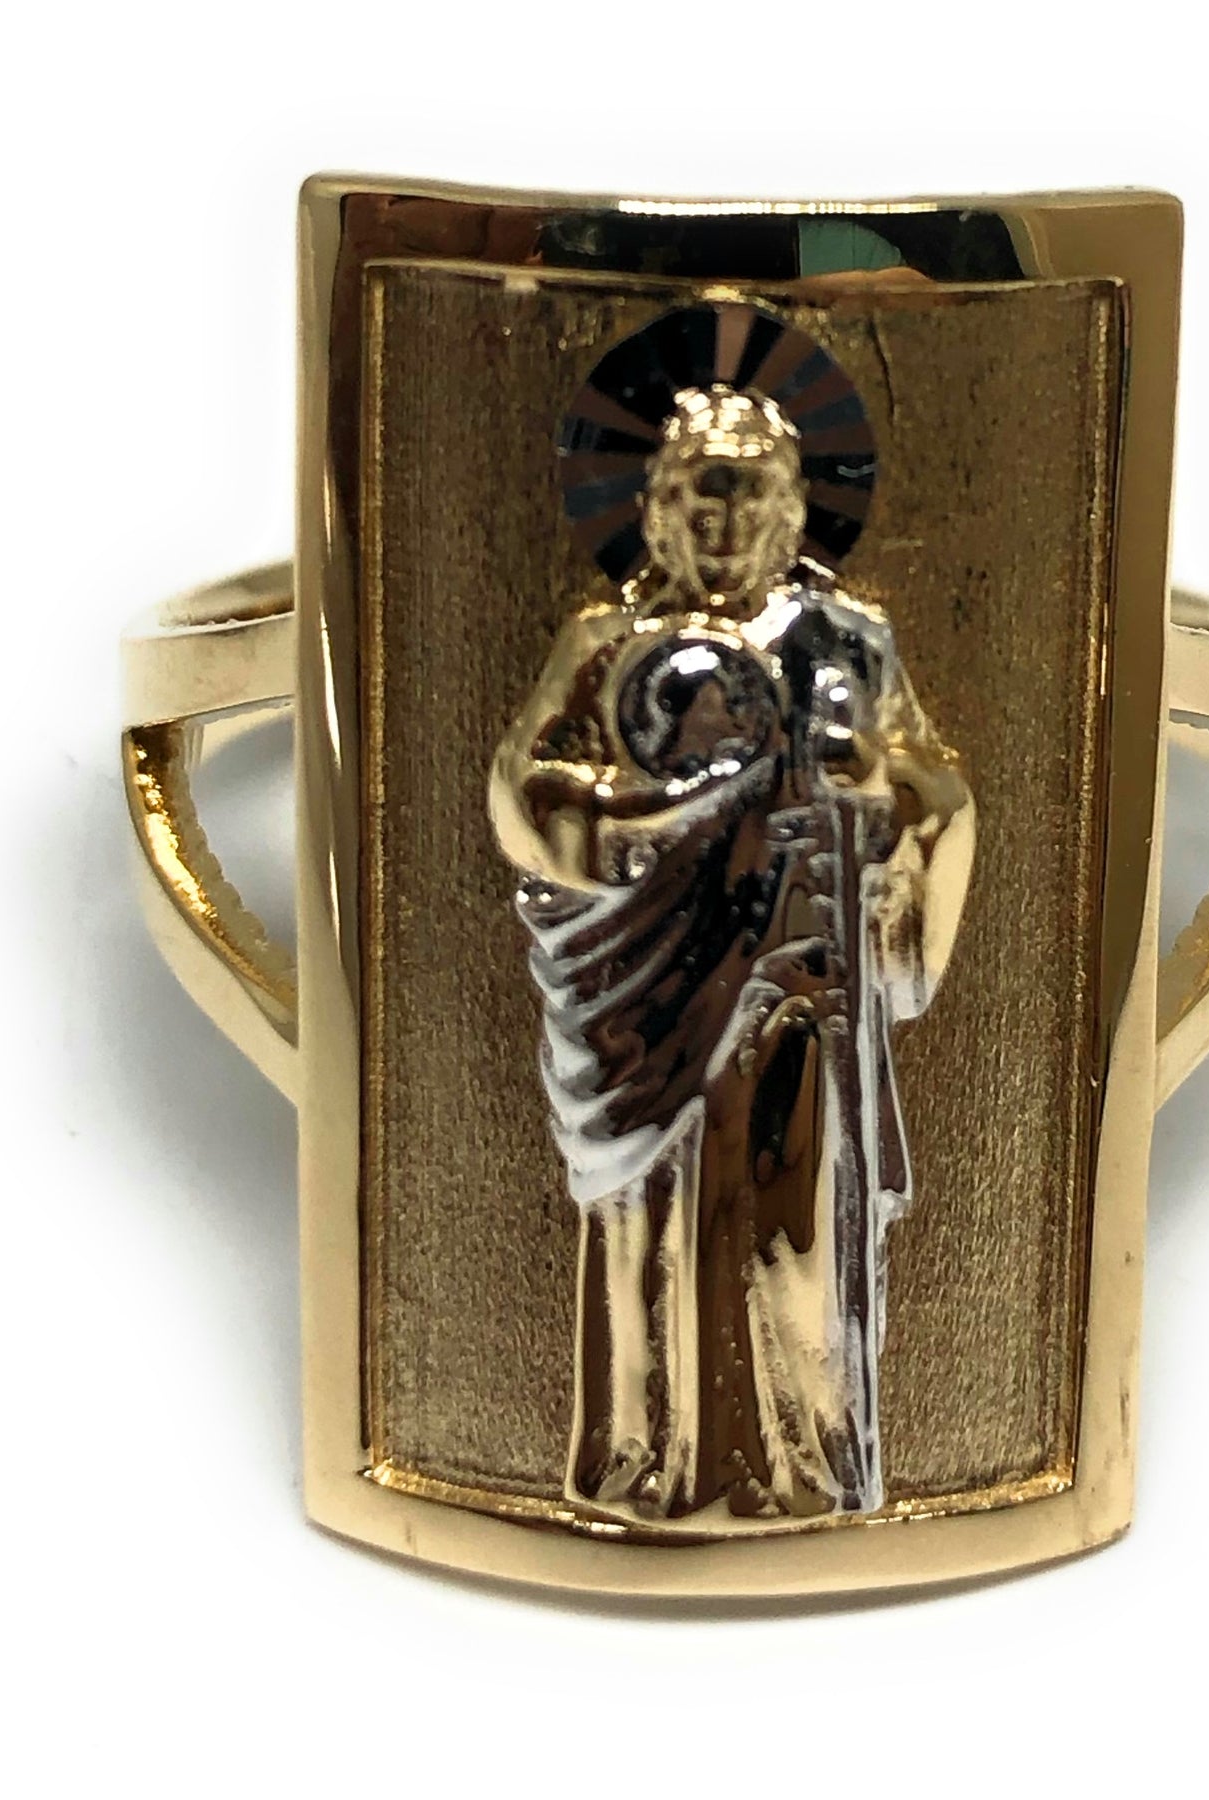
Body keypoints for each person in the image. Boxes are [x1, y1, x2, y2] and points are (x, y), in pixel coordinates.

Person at [490, 383, 974, 1527]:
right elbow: (522, 789)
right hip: (646, 1001)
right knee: (652, 1232)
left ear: (791, 514)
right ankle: (653, 1464)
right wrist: (622, 826)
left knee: (789, 1230)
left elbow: (939, 794)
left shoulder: (846, 645)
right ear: (658, 513)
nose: (724, 526)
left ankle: (806, 1472)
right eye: (699, 502)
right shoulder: (606, 646)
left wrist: (882, 787)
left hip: (795, 985)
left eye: (749, 500)